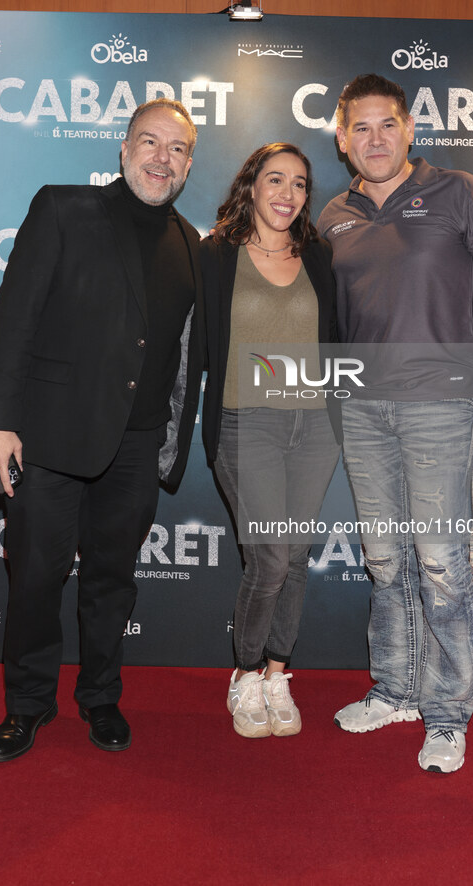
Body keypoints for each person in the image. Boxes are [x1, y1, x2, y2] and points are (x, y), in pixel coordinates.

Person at [0, 98, 204, 762]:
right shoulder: (63, 209)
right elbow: (13, 317)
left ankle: (100, 697)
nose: (162, 158)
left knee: (112, 581)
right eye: (149, 142)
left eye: (177, 148)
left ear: (189, 163)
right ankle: (27, 705)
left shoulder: (190, 244)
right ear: (123, 148)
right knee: (37, 579)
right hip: (47, 439)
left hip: (135, 446)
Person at [318, 74, 473, 773]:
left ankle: (444, 716)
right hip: (361, 409)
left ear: (408, 129)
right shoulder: (331, 216)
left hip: (442, 405)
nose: (374, 139)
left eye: (387, 125)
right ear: (341, 138)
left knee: (440, 567)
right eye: (360, 128)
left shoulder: (458, 191)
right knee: (384, 562)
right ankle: (395, 689)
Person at [202, 143, 342, 738]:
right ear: (251, 186)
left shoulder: (320, 255)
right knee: (268, 556)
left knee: (296, 556)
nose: (287, 194)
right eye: (275, 180)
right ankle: (246, 673)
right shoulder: (214, 255)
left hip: (315, 426)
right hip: (245, 421)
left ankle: (279, 672)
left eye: (300, 184)